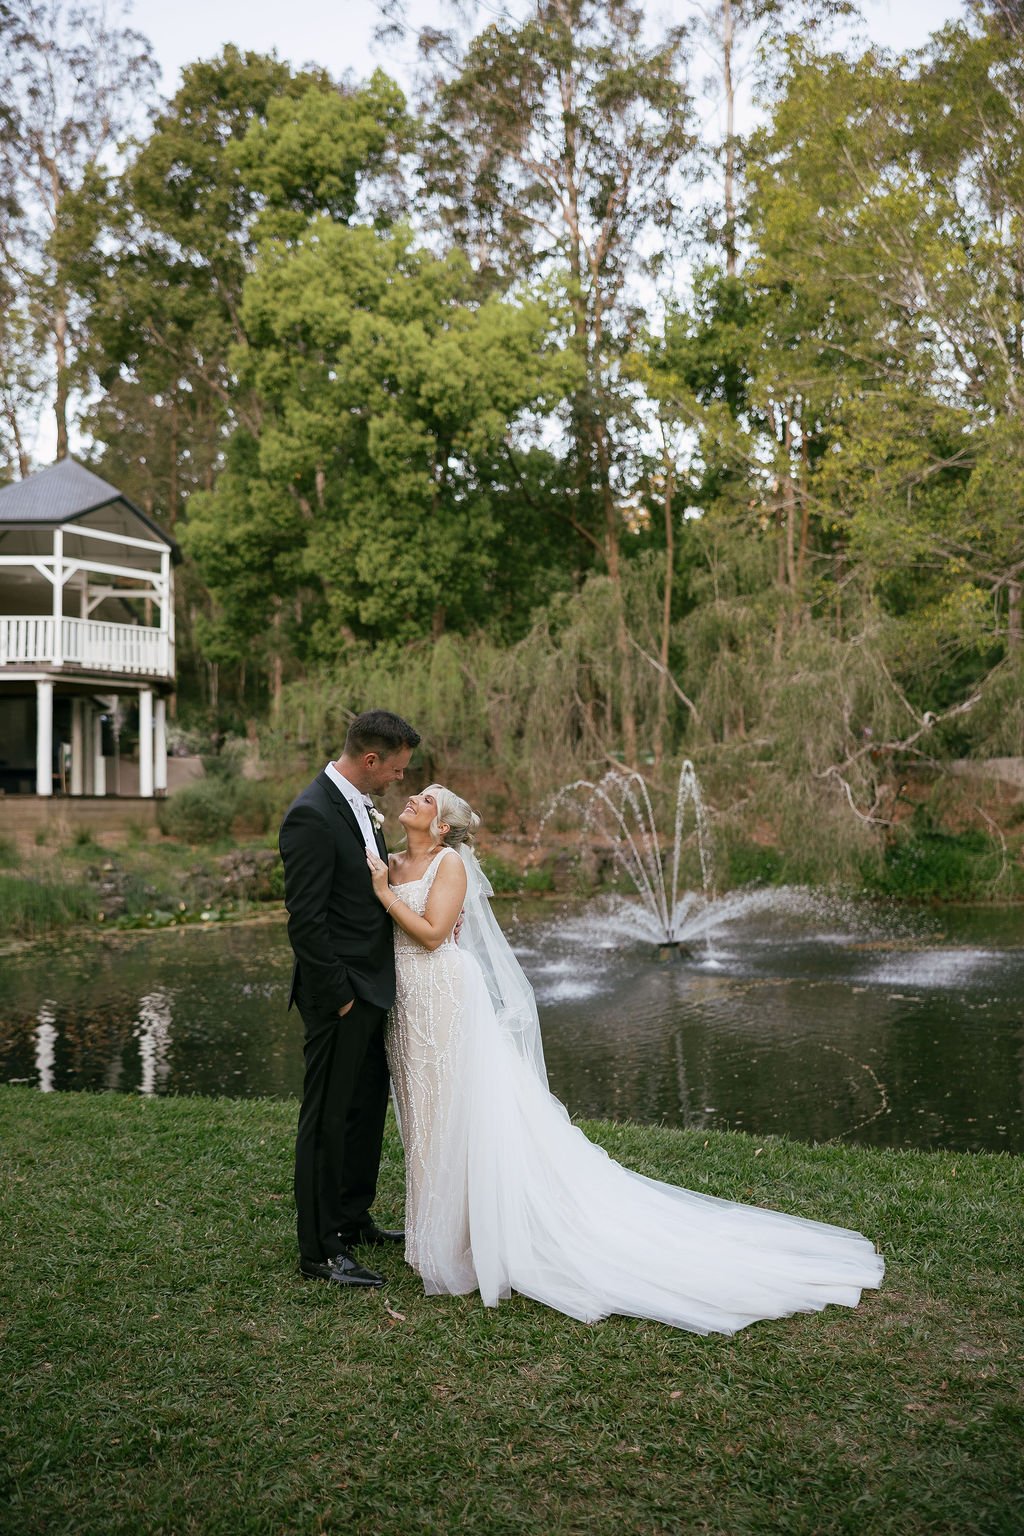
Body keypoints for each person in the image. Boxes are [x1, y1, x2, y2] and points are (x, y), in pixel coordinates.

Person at [367, 784, 885, 1335]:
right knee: (424, 1114)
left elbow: (433, 935)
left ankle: (467, 1240)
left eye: (427, 800)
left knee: (456, 1111)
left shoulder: (448, 864)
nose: (414, 799)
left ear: (443, 826)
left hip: (445, 995)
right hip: (407, 1003)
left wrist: (384, 894)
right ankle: (436, 1234)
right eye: (416, 794)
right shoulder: (391, 860)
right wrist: (384, 881)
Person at [279, 709, 420, 1288]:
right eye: (396, 769)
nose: (399, 778)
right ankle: (320, 1249)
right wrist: (339, 996)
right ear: (370, 759)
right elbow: (306, 920)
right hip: (341, 995)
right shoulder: (311, 815)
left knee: (363, 1110)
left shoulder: (358, 804)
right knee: (327, 1118)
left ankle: (353, 1218)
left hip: (372, 988)